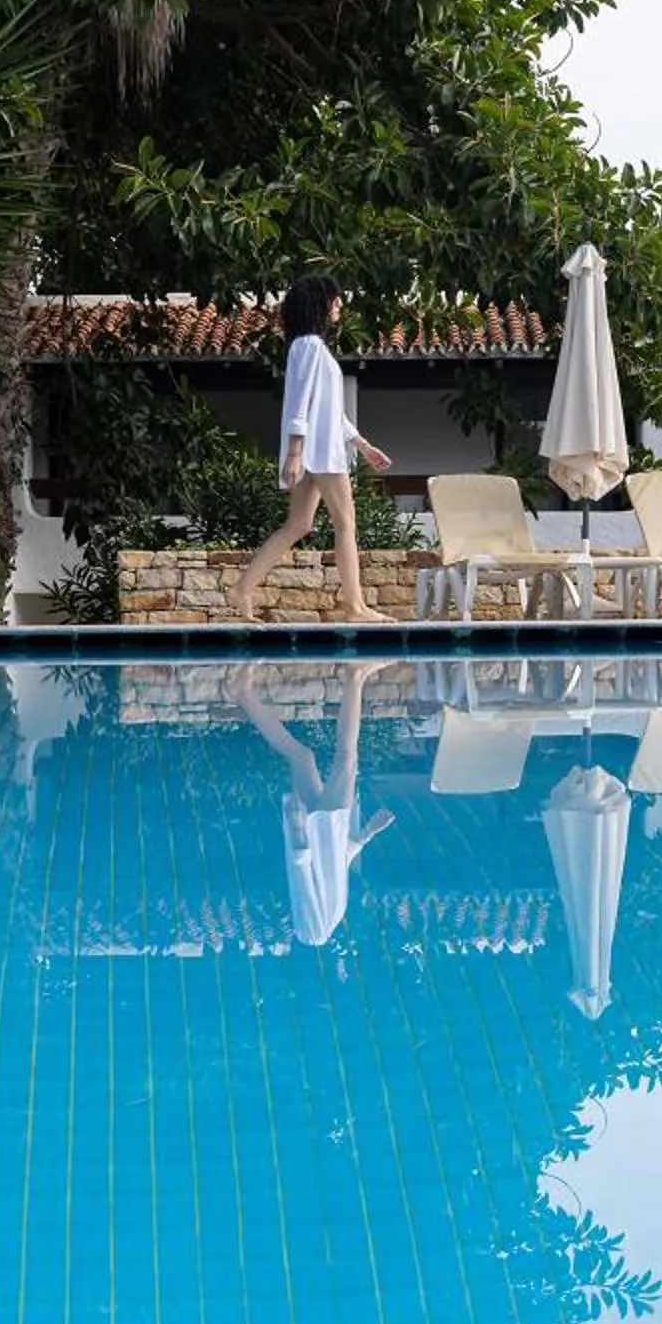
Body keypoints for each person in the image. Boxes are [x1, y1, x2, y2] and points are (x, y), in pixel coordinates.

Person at [235, 273, 393, 624]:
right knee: (345, 524)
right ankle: (355, 607)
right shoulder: (307, 346)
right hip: (319, 453)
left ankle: (242, 590)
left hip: (316, 450)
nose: (339, 306)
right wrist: (294, 452)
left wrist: (363, 445)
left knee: (299, 525)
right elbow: (299, 403)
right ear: (321, 304)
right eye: (335, 300)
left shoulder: (310, 348)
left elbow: (331, 411)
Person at [231, 659, 395, 948]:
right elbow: (337, 867)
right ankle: (243, 693)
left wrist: (296, 832)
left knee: (347, 758)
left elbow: (302, 879)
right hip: (324, 835)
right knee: (302, 757)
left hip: (323, 832)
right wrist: (369, 832)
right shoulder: (333, 919)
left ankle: (355, 675)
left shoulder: (314, 935)